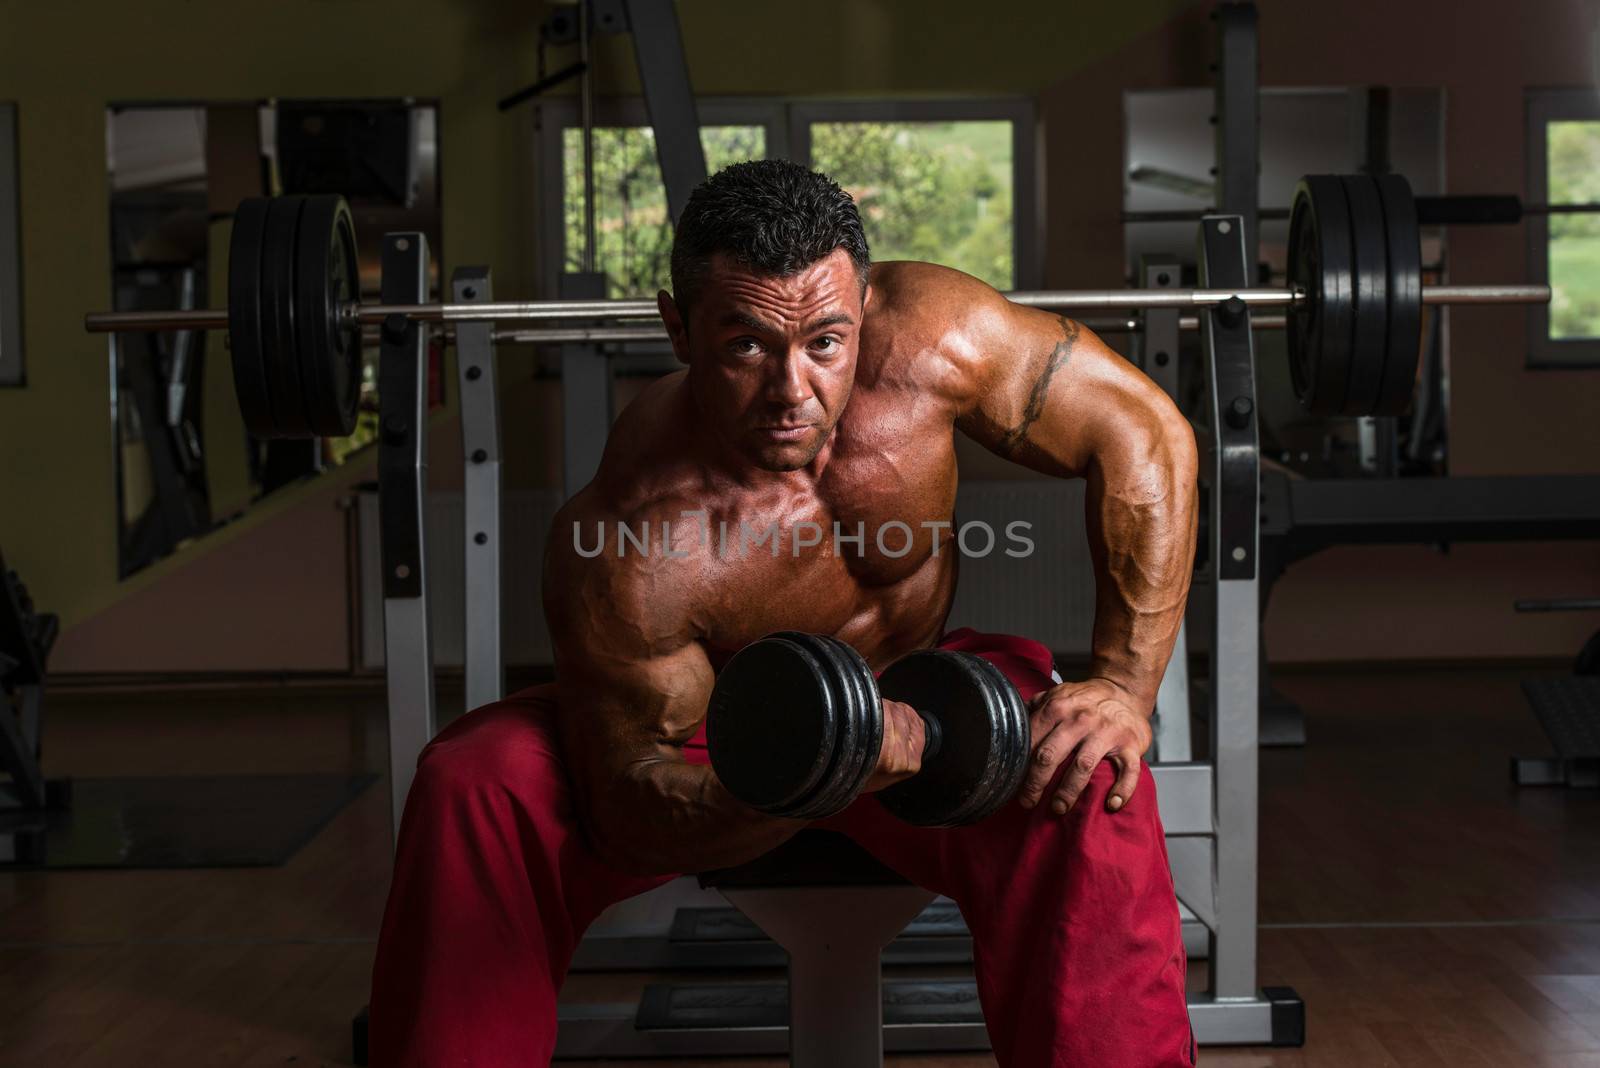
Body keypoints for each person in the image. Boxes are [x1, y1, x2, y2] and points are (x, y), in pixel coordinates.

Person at [370, 159, 1199, 1067]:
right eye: (748, 347)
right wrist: (831, 762)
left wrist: (1124, 685)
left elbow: (1142, 430)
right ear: (678, 328)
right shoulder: (634, 538)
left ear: (866, 303)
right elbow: (630, 815)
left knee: (1092, 776)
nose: (793, 390)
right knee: (475, 784)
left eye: (826, 344)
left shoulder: (935, 338)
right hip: (715, 734)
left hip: (917, 695)